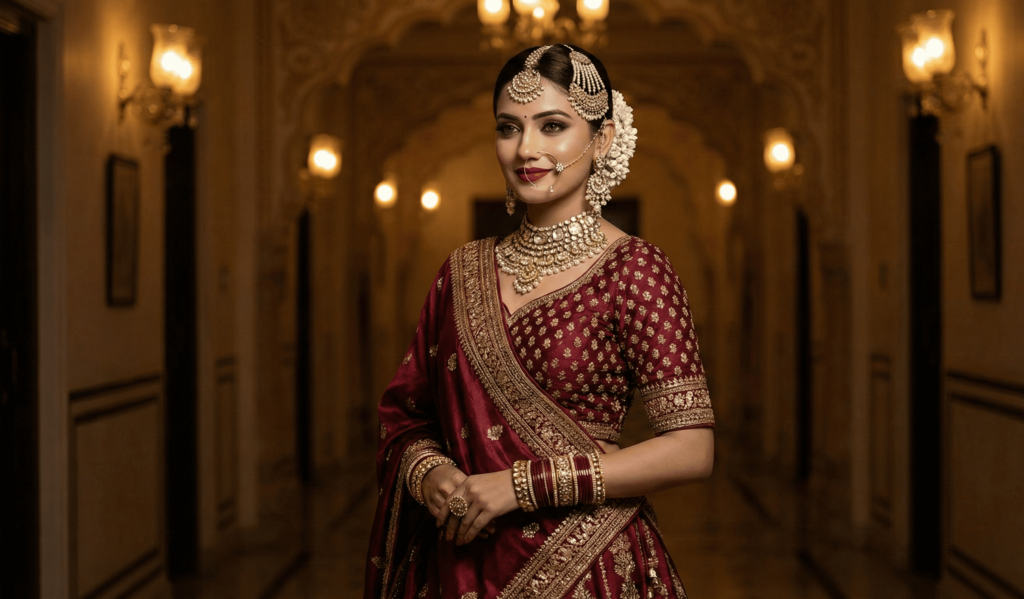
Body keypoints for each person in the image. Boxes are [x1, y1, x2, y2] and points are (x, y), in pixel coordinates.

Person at [365, 44, 715, 599]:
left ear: (601, 139)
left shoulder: (635, 270)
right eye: (509, 128)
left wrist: (518, 486)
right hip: (460, 566)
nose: (526, 149)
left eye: (553, 126)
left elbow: (692, 447)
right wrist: (430, 474)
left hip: (588, 565)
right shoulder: (461, 272)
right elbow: (406, 419)